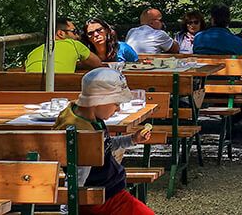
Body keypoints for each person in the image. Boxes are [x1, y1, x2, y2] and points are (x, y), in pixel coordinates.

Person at [56, 68, 155, 215]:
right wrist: (68, 209)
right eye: (116, 103)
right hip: (101, 199)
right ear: (98, 102)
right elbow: (77, 177)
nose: (118, 108)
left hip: (107, 194)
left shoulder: (84, 117)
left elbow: (104, 145)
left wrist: (132, 139)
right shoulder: (84, 134)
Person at [25, 18, 103, 74]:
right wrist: (77, 64)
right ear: (60, 34)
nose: (78, 36)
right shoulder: (73, 44)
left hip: (29, 93)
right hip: (60, 93)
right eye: (74, 32)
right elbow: (97, 64)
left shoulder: (32, 53)